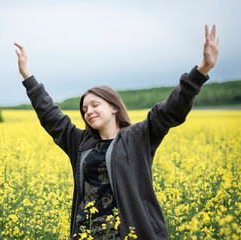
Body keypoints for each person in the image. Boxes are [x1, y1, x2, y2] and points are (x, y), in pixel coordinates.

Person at [14, 25, 219, 239]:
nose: (88, 111)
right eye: (84, 109)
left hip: (129, 234)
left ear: (113, 106)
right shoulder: (79, 142)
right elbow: (50, 115)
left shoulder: (139, 137)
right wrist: (27, 75)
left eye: (95, 105)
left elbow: (170, 110)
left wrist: (202, 70)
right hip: (86, 234)